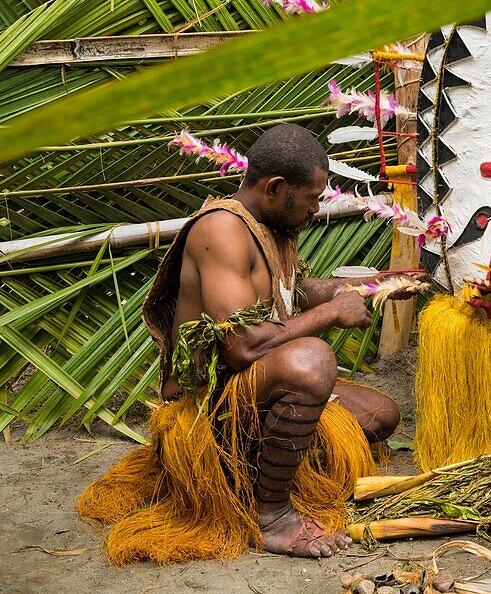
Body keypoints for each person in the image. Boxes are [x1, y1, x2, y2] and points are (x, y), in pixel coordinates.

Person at [78, 124, 400, 562]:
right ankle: (271, 515)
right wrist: (331, 315)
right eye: (311, 199)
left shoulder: (270, 226)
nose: (315, 211)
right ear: (275, 188)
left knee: (381, 415)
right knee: (312, 361)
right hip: (206, 413)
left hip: (249, 396)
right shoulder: (222, 230)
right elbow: (242, 345)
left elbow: (288, 293)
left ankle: (256, 469)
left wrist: (372, 288)